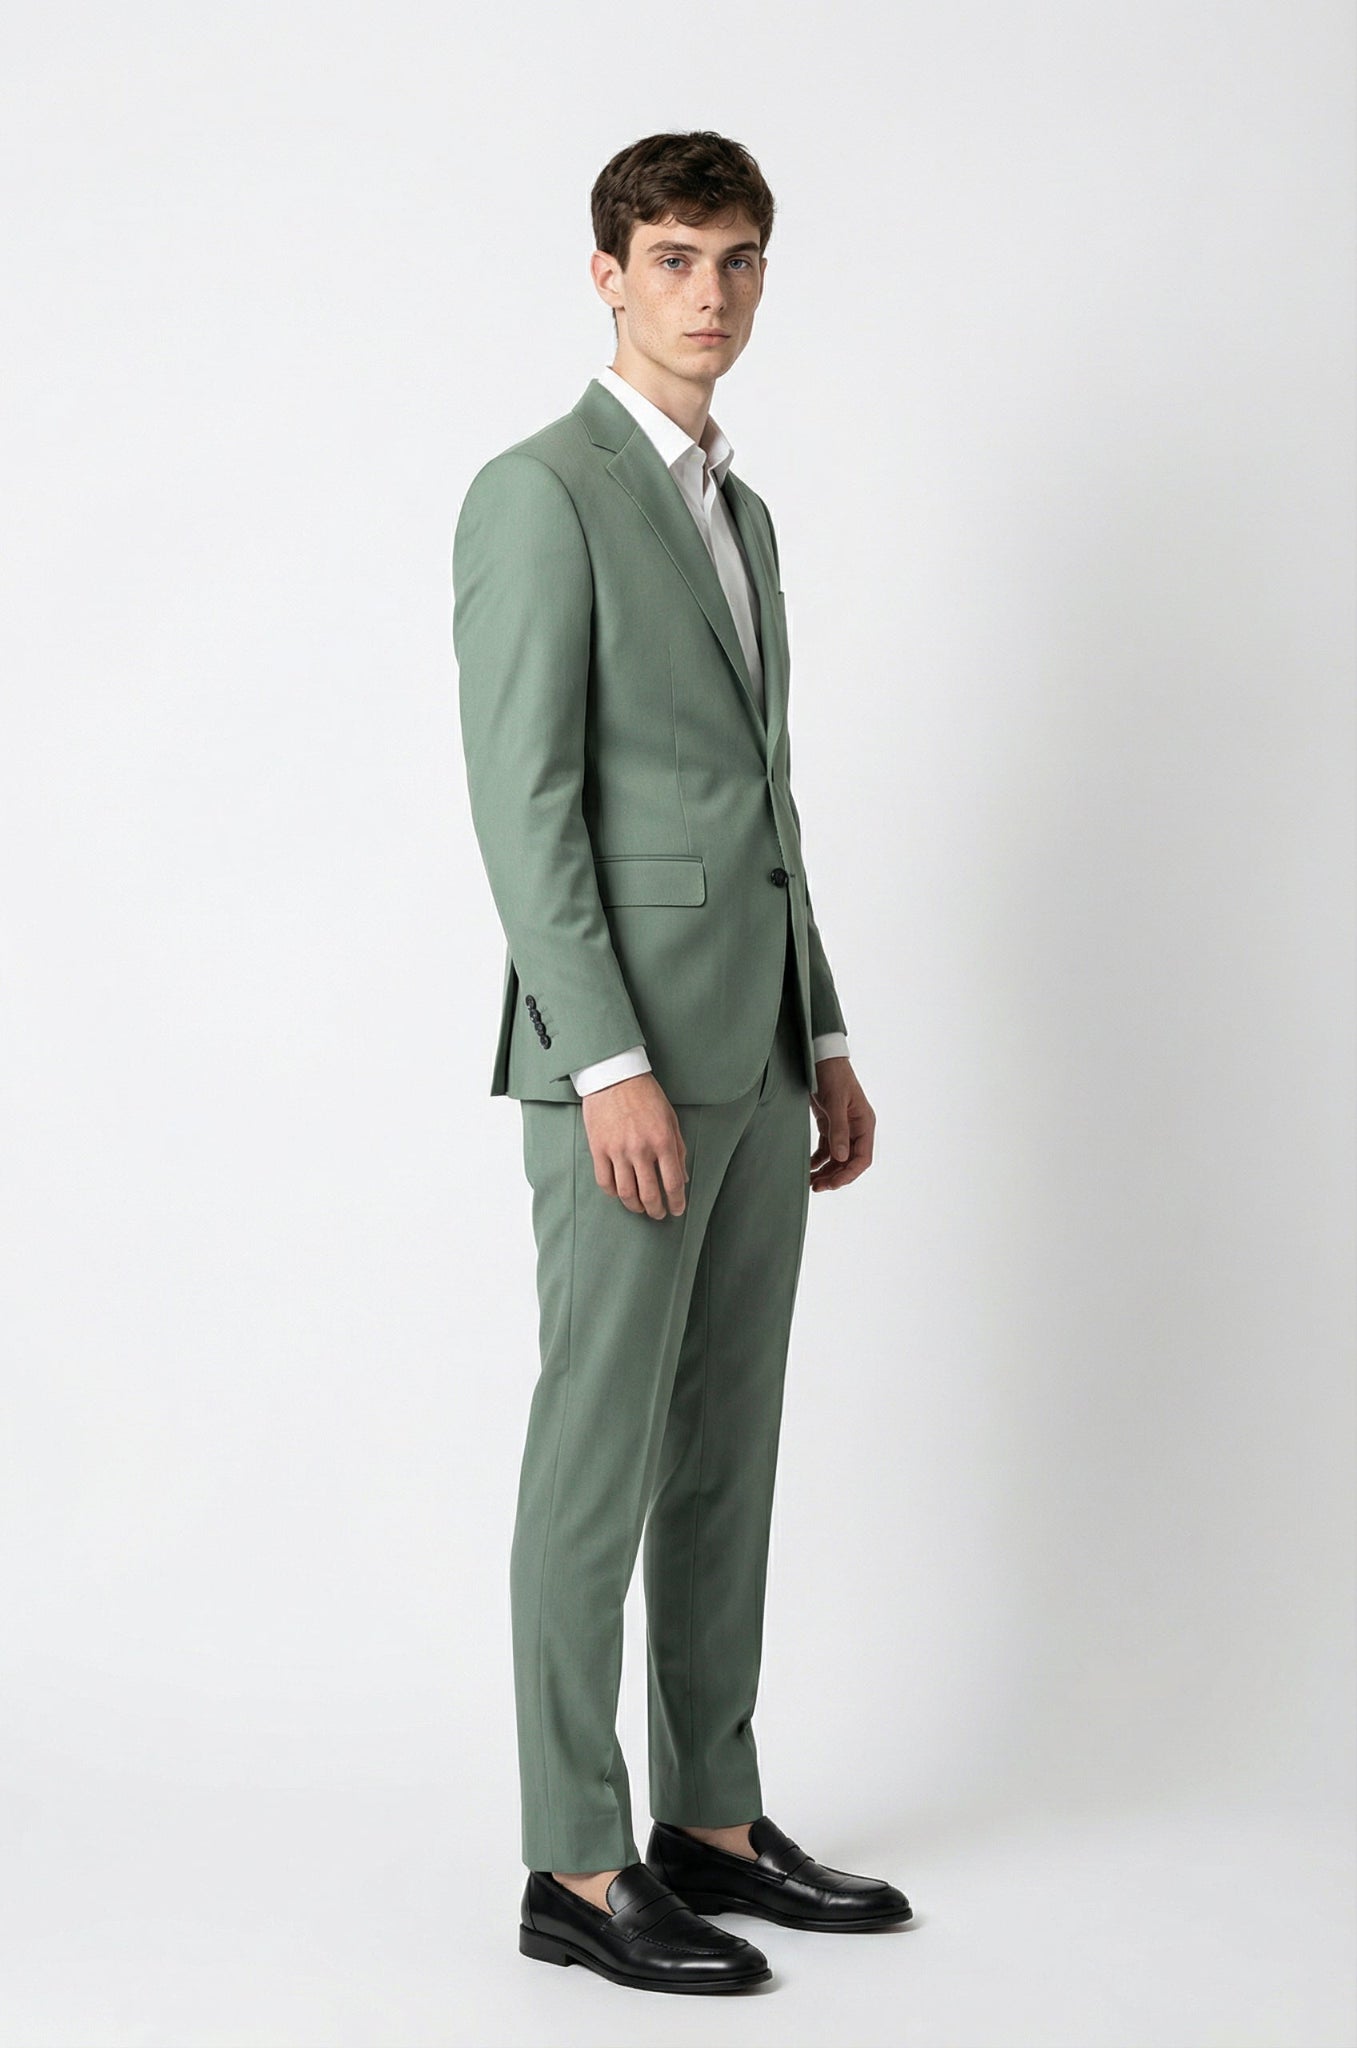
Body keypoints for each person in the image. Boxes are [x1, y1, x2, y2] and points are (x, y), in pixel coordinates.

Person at [452, 129, 912, 1996]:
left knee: (727, 1450)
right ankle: (574, 1863)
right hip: (623, 1073)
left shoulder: (747, 513)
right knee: (598, 1457)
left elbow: (759, 805)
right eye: (669, 257)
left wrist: (824, 1028)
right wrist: (605, 1064)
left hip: (760, 1052)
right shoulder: (537, 494)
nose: (705, 293)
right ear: (606, 274)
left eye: (734, 260)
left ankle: (707, 1820)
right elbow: (527, 810)